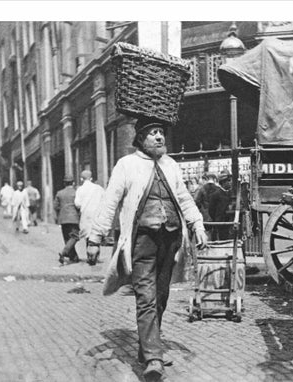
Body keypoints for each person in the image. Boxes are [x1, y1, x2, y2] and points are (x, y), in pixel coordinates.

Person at [86, 118, 207, 381]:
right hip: (142, 242)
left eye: (161, 132)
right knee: (146, 297)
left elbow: (184, 197)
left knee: (161, 295)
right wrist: (95, 238)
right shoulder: (126, 165)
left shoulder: (171, 165)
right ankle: (153, 357)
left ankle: (146, 347)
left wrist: (197, 224)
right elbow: (110, 202)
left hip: (171, 240)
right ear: (140, 139)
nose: (159, 137)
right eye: (153, 133)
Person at [74, 170, 105, 265]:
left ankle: (89, 256)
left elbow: (77, 204)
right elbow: (105, 200)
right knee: (96, 233)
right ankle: (96, 255)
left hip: (86, 215)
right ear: (91, 178)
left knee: (87, 235)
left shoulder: (80, 189)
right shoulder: (99, 188)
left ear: (81, 179)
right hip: (97, 213)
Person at [54, 175, 80, 264]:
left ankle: (74, 257)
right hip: (74, 217)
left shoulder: (59, 193)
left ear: (64, 183)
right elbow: (79, 205)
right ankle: (64, 252)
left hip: (63, 218)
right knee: (75, 236)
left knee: (67, 237)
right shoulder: (76, 192)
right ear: (73, 182)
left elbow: (56, 206)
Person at [208, 169, 232, 240]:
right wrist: (218, 218)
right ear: (223, 182)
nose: (230, 182)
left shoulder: (230, 194)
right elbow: (211, 210)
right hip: (220, 225)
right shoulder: (216, 195)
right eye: (229, 181)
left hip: (229, 224)